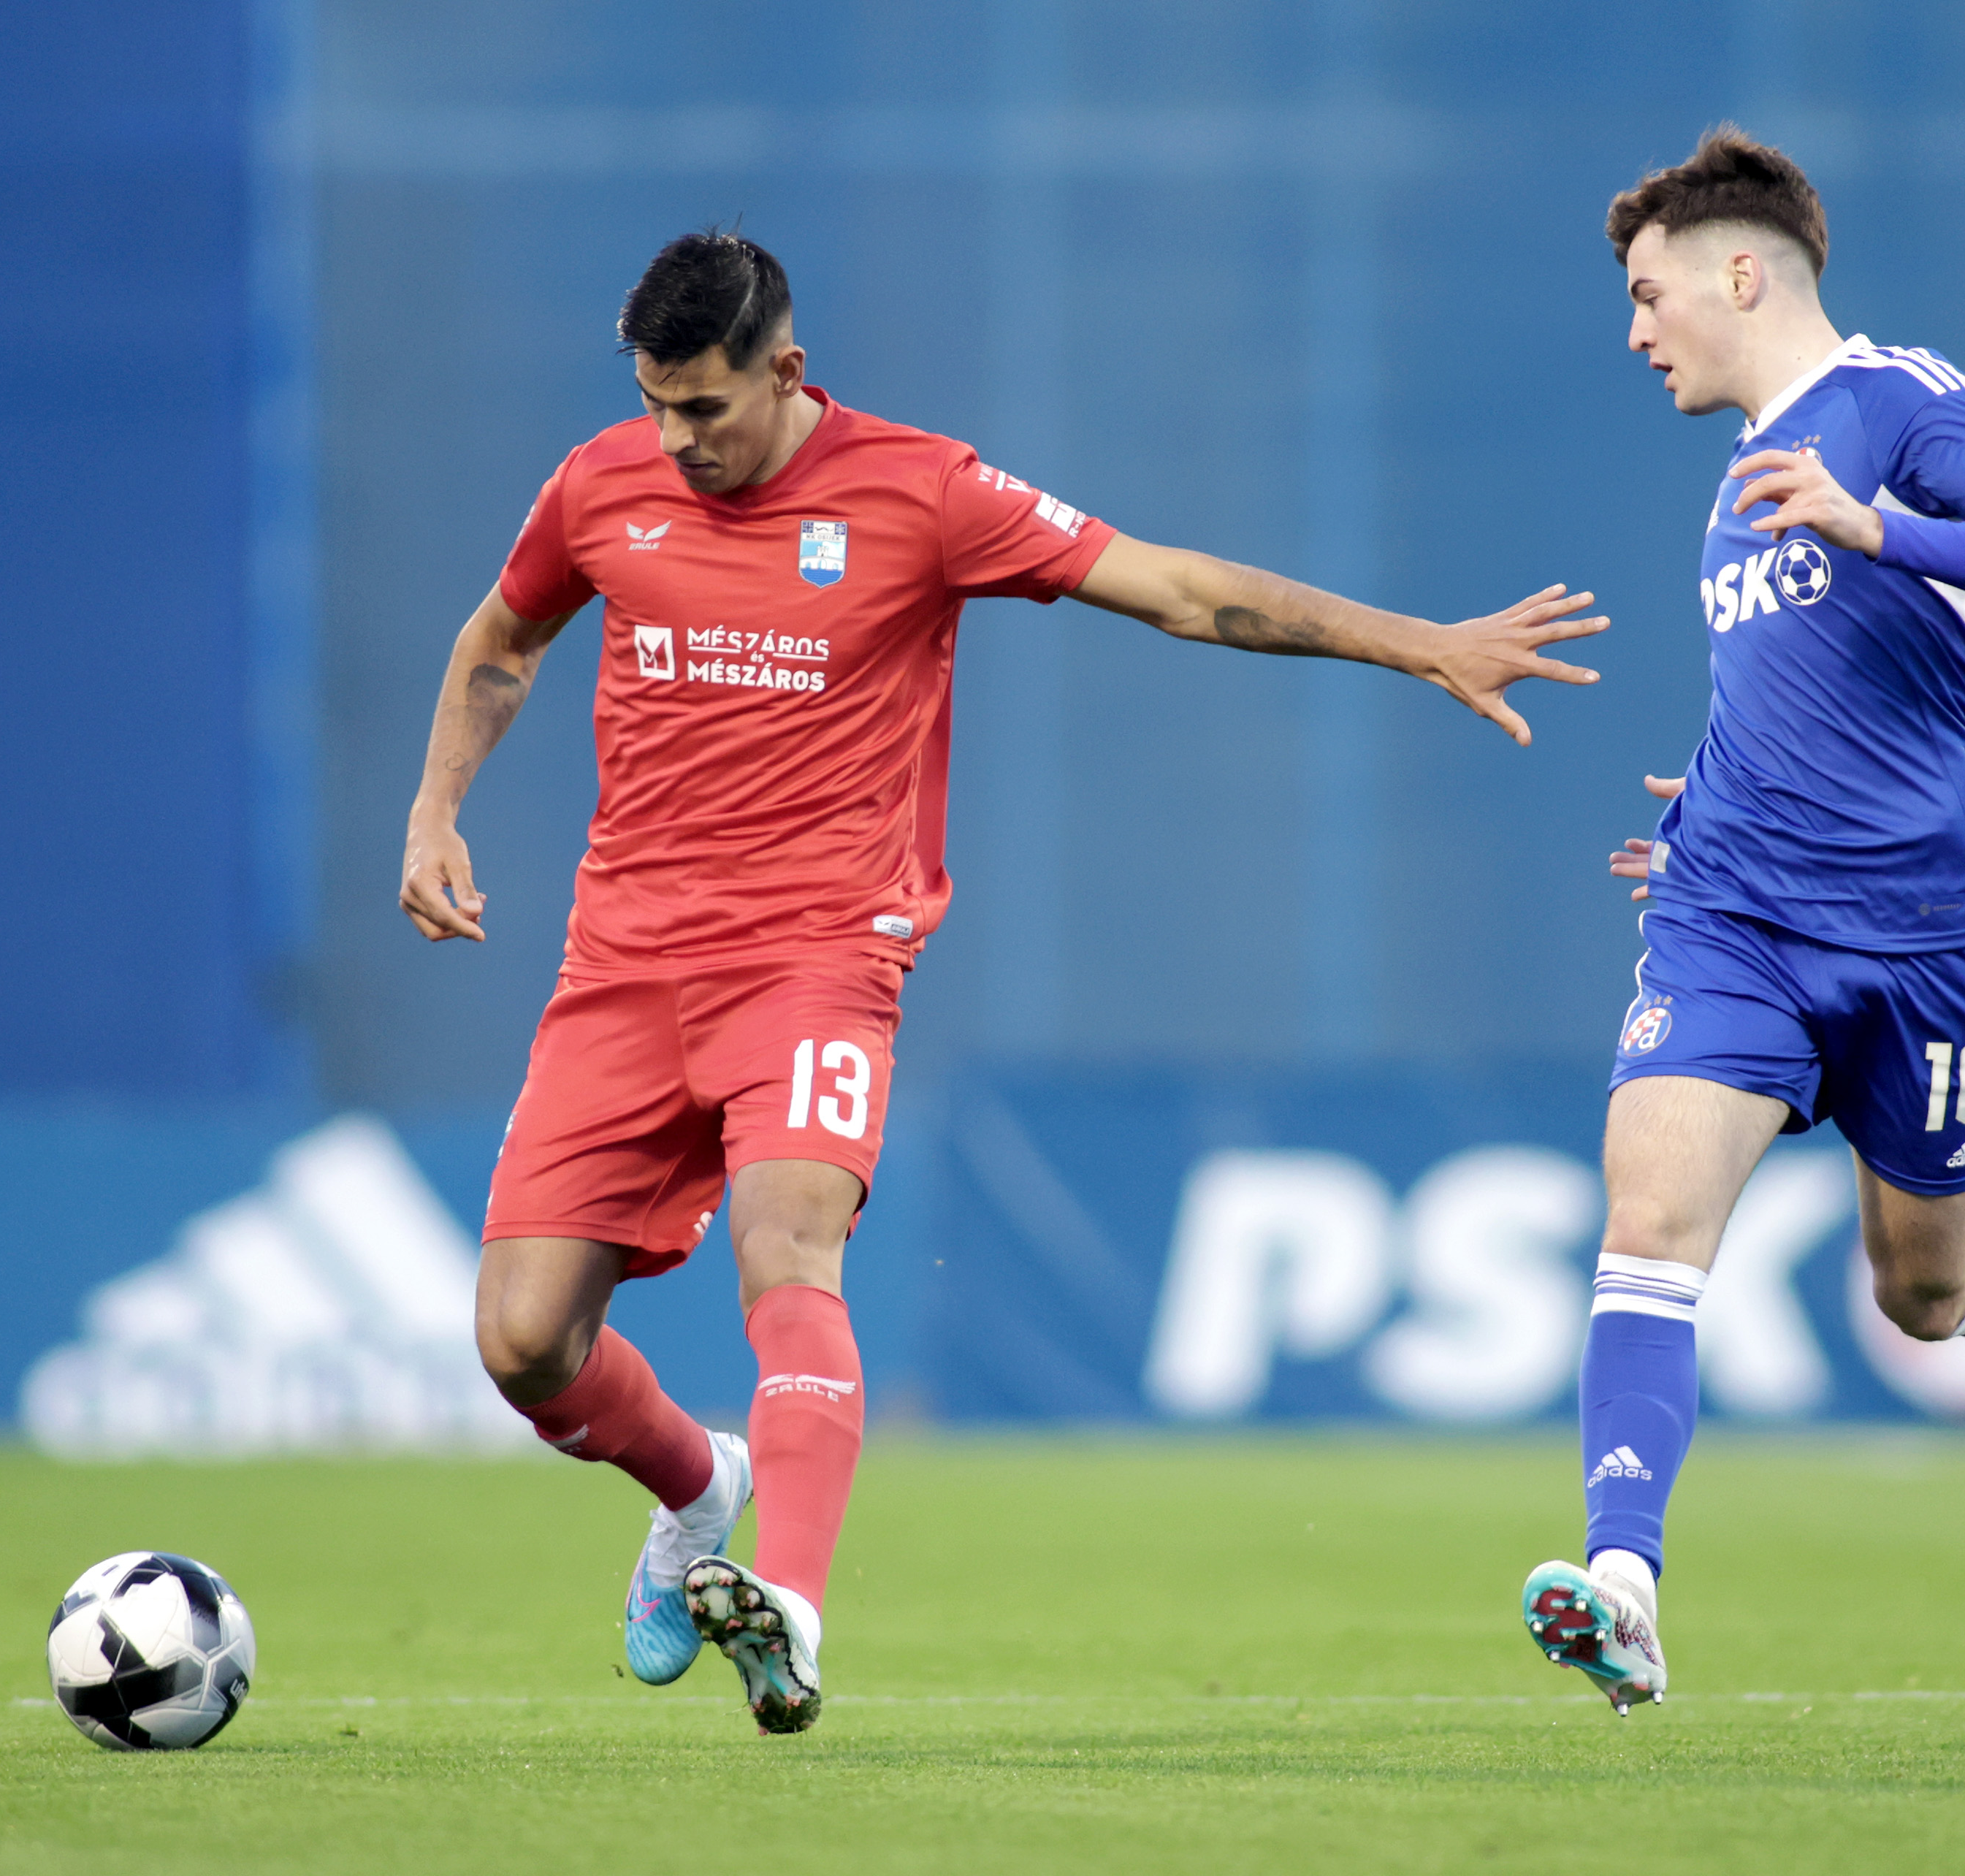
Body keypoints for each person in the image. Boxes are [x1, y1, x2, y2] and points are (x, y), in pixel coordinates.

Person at [397, 229, 1603, 1734]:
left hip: (819, 959)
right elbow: (502, 640)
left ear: (786, 369)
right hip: (623, 965)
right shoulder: (601, 484)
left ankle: (792, 1608)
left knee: (788, 1244)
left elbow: (1176, 587)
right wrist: (435, 808)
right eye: (653, 404)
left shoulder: (923, 491)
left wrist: (1416, 644)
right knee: (524, 1343)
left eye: (702, 407)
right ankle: (699, 1486)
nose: (675, 439)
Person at [1516, 128, 1965, 1715]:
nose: (1634, 331)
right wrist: (1708, 804)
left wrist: (1878, 525)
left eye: (1647, 295)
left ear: (1739, 272)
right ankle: (1625, 1585)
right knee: (1649, 1218)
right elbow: (1789, 691)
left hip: (1922, 940)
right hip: (1733, 918)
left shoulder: (1897, 404)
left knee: (1916, 1286)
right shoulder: (1739, 483)